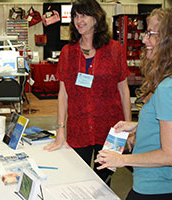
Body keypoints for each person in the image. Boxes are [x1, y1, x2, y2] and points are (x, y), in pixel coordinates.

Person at [95, 7, 172, 200]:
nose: (144, 40)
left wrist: (121, 160)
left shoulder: (169, 87)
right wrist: (139, 125)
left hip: (158, 189)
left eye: (150, 34)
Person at [44, 0, 131, 184]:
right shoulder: (68, 52)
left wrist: (129, 128)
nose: (78, 20)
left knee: (103, 182)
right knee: (78, 180)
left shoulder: (115, 50)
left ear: (96, 18)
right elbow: (63, 94)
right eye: (75, 16)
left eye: (83, 15)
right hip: (78, 129)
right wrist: (60, 130)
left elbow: (123, 91)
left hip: (110, 129)